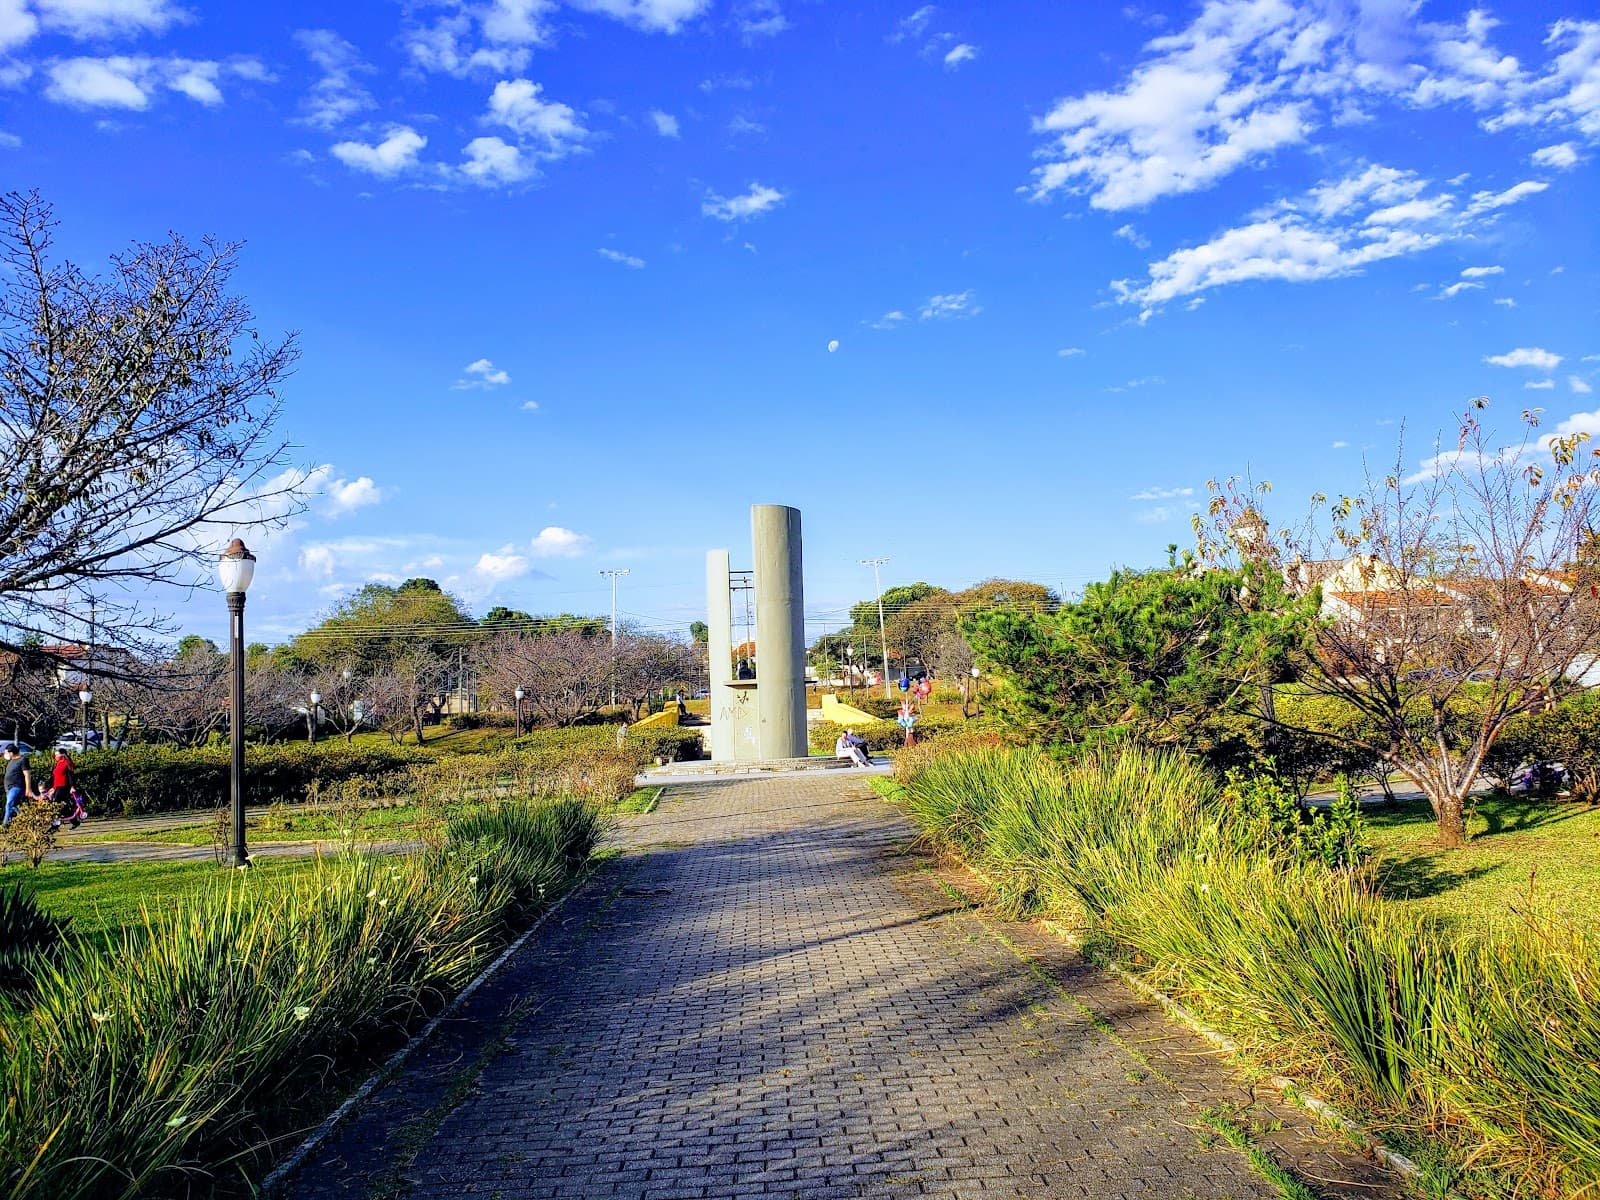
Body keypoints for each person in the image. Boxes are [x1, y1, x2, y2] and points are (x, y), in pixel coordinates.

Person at [3, 744, 30, 827]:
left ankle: (5, 825)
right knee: (15, 806)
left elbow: (27, 775)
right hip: (9, 788)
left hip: (17, 787)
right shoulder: (11, 761)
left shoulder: (22, 760)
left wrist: (28, 788)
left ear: (11, 752)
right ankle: (27, 821)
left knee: (9, 805)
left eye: (7, 752)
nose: (5, 754)